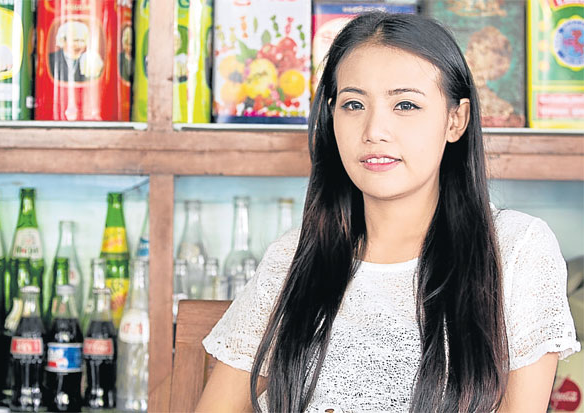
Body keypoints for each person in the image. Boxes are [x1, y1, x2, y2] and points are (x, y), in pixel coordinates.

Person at [196, 11, 580, 413]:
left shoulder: (516, 249)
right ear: (331, 116)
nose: (374, 130)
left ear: (456, 119)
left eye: (406, 104)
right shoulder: (294, 256)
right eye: (353, 104)